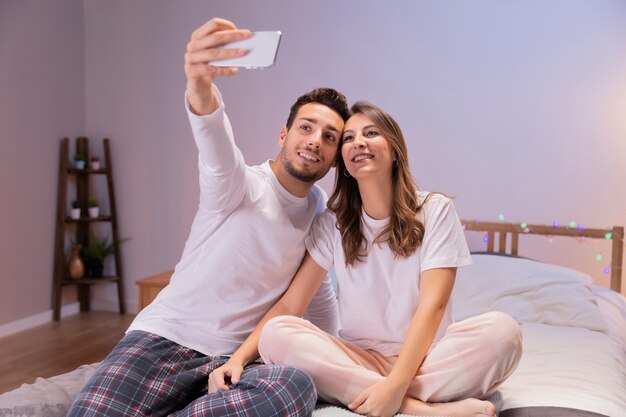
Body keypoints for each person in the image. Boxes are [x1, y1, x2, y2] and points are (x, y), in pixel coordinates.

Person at [68, 17, 350, 417]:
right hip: (165, 339)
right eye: (307, 127)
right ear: (283, 134)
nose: (315, 141)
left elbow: (316, 295)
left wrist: (338, 354)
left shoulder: (320, 213)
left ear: (335, 156)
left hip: (239, 361)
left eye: (329, 137)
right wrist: (199, 84)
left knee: (297, 387)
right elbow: (214, 139)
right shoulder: (238, 183)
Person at [210, 101, 522, 417]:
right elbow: (291, 305)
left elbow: (434, 305)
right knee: (278, 333)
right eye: (349, 138)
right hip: (360, 357)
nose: (358, 142)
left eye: (371, 133)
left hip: (429, 356)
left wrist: (397, 381)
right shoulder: (332, 223)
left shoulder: (435, 210)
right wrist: (238, 358)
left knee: (504, 333)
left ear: (396, 150)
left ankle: (368, 391)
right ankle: (419, 409)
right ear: (344, 163)